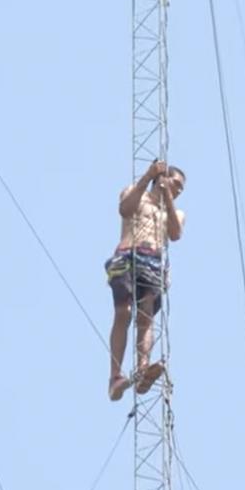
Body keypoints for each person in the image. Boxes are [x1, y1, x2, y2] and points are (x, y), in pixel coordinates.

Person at [104, 159, 186, 401]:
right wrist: (148, 176)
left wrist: (166, 196)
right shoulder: (134, 192)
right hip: (128, 255)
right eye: (176, 183)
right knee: (123, 312)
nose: (179, 190)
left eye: (181, 189)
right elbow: (125, 209)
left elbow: (175, 233)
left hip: (152, 263)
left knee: (145, 316)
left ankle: (142, 368)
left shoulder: (176, 212)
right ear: (164, 177)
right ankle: (115, 376)